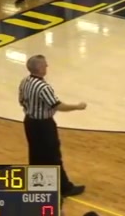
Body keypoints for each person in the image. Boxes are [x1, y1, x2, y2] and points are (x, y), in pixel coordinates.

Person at [19, 54, 86, 197]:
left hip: (29, 122)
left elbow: (21, 100)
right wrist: (77, 106)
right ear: (39, 68)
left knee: (36, 154)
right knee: (53, 155)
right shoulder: (43, 87)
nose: (47, 66)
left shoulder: (25, 81)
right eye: (44, 65)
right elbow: (58, 106)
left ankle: (38, 184)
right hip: (43, 125)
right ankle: (64, 188)